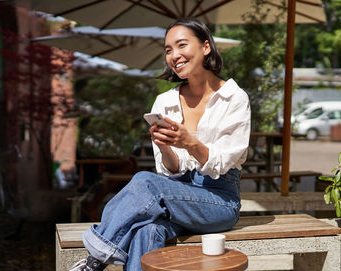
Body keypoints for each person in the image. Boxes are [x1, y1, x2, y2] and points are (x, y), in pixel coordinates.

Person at [70, 18, 251, 271]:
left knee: (145, 181)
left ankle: (96, 259)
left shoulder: (233, 97)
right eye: (168, 50)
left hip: (218, 200)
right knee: (147, 230)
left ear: (206, 47)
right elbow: (170, 171)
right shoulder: (164, 101)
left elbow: (224, 162)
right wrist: (166, 146)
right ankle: (99, 257)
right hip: (174, 196)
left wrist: (189, 143)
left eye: (181, 45)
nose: (174, 55)